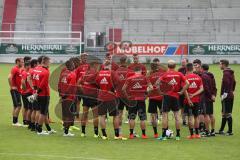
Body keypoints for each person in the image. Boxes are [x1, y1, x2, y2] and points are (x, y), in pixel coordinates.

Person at [158, 60, 189, 141]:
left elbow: (157, 83)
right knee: (177, 116)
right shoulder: (179, 74)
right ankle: (178, 135)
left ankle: (164, 136)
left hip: (167, 96)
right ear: (175, 66)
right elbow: (188, 83)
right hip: (176, 96)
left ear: (168, 66)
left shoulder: (165, 74)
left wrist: (160, 91)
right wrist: (182, 91)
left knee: (165, 116)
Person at [96, 62, 127, 140]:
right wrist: (113, 87)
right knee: (115, 116)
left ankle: (104, 135)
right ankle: (116, 135)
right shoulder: (112, 72)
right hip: (111, 96)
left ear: (103, 66)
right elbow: (119, 81)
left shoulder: (99, 73)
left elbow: (96, 83)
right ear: (109, 66)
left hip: (101, 96)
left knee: (102, 116)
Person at [122, 67, 153, 139]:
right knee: (142, 118)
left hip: (132, 100)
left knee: (132, 118)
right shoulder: (145, 78)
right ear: (141, 71)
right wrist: (147, 96)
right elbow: (151, 88)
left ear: (134, 71)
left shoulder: (130, 78)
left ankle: (131, 134)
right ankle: (144, 135)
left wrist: (127, 96)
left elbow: (123, 89)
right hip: (141, 100)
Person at [34, 56, 56, 135]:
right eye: (49, 62)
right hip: (44, 94)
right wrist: (37, 92)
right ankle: (39, 130)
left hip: (38, 93)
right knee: (43, 113)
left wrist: (35, 91)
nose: (50, 63)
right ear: (46, 62)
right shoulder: (46, 72)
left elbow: (34, 80)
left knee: (44, 112)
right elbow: (43, 84)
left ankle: (48, 129)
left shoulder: (36, 69)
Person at [79, 60, 100, 138]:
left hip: (85, 96)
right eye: (97, 65)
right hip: (94, 96)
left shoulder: (84, 74)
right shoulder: (95, 74)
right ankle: (96, 133)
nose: (98, 66)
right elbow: (99, 84)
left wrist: (83, 91)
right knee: (95, 115)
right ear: (93, 65)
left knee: (84, 114)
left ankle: (83, 132)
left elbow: (78, 83)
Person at [184, 63, 204, 139]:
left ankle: (192, 134)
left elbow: (184, 89)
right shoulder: (198, 77)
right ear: (193, 69)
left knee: (190, 117)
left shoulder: (185, 77)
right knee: (196, 117)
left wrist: (189, 98)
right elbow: (202, 89)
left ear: (186, 69)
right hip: (197, 100)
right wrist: (194, 94)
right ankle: (197, 134)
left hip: (188, 101)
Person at [217, 59, 236, 136]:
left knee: (227, 113)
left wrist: (225, 94)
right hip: (230, 95)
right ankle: (221, 130)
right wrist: (232, 90)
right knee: (224, 113)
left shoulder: (226, 73)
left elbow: (227, 83)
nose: (219, 65)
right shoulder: (230, 72)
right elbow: (234, 82)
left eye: (220, 64)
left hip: (227, 96)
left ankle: (230, 131)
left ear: (224, 64)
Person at [112, 55, 129, 136]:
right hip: (127, 95)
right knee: (132, 114)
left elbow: (113, 84)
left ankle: (120, 131)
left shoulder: (116, 72)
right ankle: (132, 132)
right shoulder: (130, 71)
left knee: (119, 114)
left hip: (118, 95)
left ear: (120, 62)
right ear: (125, 61)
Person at [147, 58, 165, 138]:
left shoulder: (149, 75)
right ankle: (165, 132)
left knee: (153, 115)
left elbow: (148, 86)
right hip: (161, 97)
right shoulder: (162, 73)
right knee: (164, 114)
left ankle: (155, 133)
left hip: (152, 97)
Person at [59, 60, 77, 136]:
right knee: (69, 115)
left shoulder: (63, 74)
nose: (74, 66)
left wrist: (61, 94)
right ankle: (66, 132)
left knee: (65, 113)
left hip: (63, 96)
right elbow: (71, 87)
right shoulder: (72, 74)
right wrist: (66, 95)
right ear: (71, 65)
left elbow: (59, 84)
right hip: (69, 97)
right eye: (73, 64)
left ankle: (65, 129)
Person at [201, 64, 217, 137]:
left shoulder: (203, 76)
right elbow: (214, 87)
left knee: (206, 115)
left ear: (202, 68)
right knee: (211, 114)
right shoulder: (211, 76)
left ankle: (207, 132)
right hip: (211, 97)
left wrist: (210, 96)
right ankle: (213, 131)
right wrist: (213, 95)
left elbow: (206, 88)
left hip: (206, 98)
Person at [8, 58, 24, 126]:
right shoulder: (15, 69)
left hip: (18, 90)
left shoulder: (19, 69)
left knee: (15, 106)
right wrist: (12, 86)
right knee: (18, 105)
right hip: (15, 90)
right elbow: (9, 77)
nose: (23, 63)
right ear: (17, 62)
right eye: (22, 62)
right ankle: (15, 122)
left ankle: (14, 121)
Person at [193, 59, 205, 132]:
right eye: (193, 65)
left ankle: (201, 127)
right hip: (196, 96)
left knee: (201, 112)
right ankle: (200, 127)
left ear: (200, 65)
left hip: (201, 96)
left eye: (196, 65)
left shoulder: (203, 75)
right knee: (199, 112)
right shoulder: (196, 74)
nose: (194, 67)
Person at [21, 60, 33, 129]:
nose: (30, 67)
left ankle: (26, 121)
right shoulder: (25, 73)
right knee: (29, 107)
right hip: (27, 93)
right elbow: (22, 81)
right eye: (29, 66)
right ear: (26, 66)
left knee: (28, 107)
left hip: (28, 92)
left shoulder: (27, 72)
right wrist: (25, 89)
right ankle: (26, 121)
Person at [178, 58, 189, 125]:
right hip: (181, 89)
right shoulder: (180, 70)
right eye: (182, 62)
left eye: (184, 62)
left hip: (188, 89)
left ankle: (189, 120)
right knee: (182, 106)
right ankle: (184, 120)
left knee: (188, 105)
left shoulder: (190, 69)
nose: (182, 63)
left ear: (187, 62)